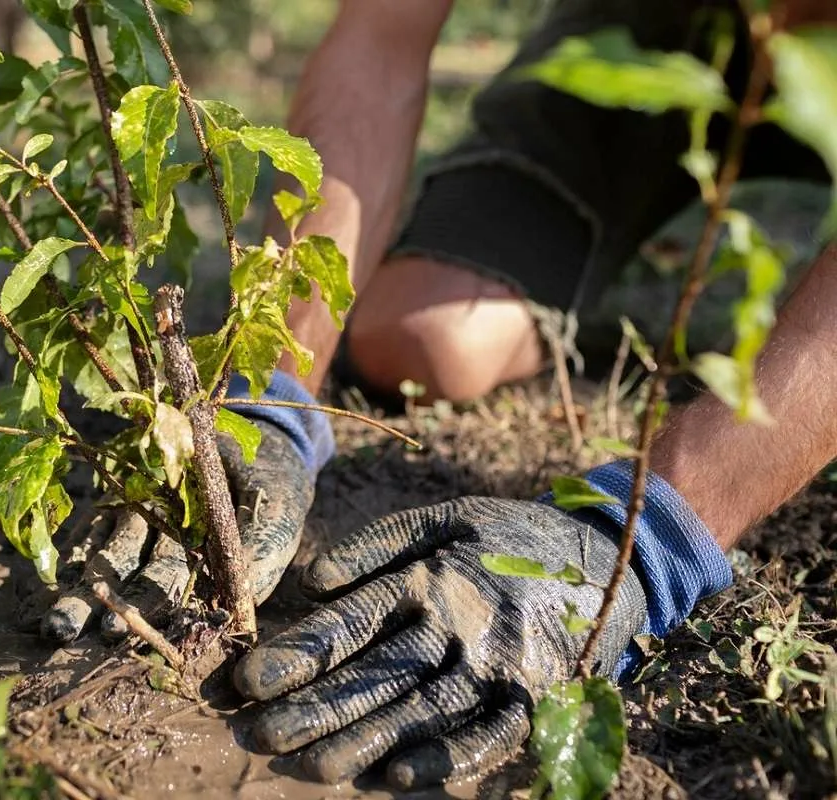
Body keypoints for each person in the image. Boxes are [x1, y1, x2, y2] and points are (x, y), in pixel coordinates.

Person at [43, 0, 837, 790]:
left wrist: (647, 539)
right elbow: (378, 41)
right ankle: (620, 262)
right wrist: (271, 387)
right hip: (649, 36)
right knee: (424, 341)